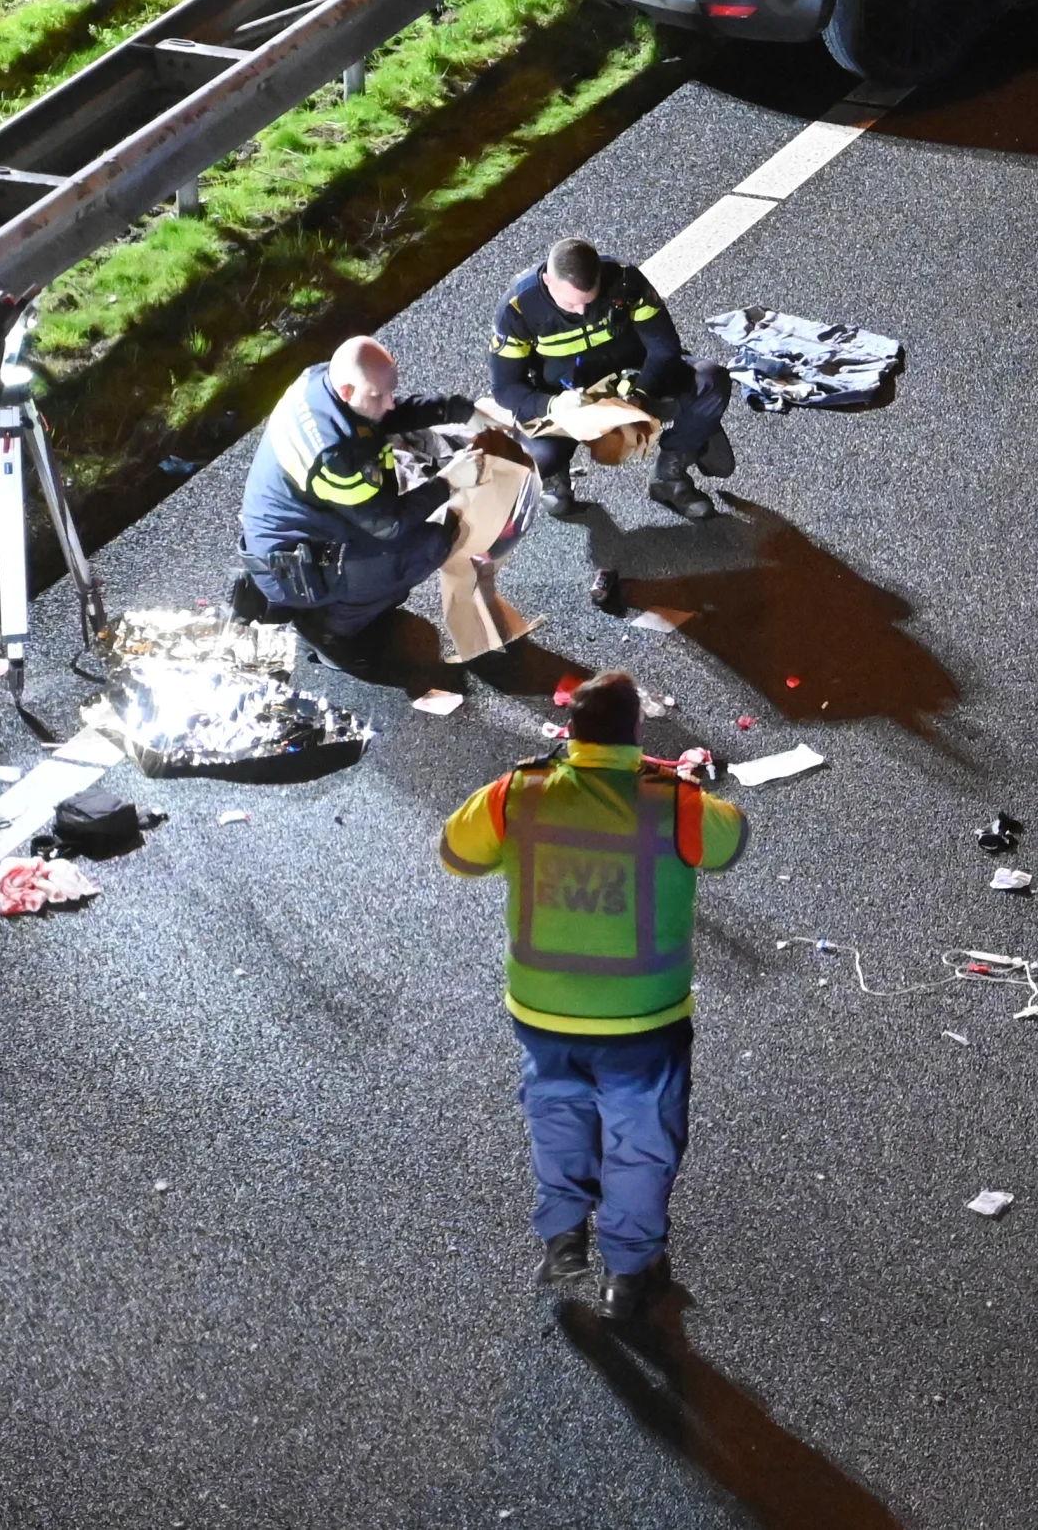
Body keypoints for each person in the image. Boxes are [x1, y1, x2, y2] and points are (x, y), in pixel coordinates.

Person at [440, 670, 748, 1323]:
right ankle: (628, 1275)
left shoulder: (518, 793)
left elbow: (457, 854)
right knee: (641, 1144)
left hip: (544, 1014)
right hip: (643, 1022)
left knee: (558, 1120)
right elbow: (731, 842)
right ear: (636, 730)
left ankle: (563, 1240)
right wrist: (677, 782)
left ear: (570, 732)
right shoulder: (673, 803)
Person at [233, 335, 472, 638]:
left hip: (292, 538)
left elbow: (383, 414)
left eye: (390, 392)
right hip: (294, 572)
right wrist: (449, 482)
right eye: (378, 395)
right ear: (347, 391)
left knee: (403, 531)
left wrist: (451, 410)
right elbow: (389, 524)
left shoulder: (322, 381)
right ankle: (331, 629)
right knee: (427, 546)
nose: (389, 402)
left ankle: (343, 599)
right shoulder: (333, 455)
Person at [489, 238, 734, 528]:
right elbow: (505, 389)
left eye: (588, 300)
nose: (581, 311)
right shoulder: (518, 309)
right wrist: (553, 405)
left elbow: (664, 347)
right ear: (547, 281)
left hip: (631, 384)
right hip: (567, 402)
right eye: (571, 303)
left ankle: (669, 476)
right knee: (535, 457)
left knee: (710, 382)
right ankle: (554, 478)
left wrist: (641, 393)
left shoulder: (625, 281)